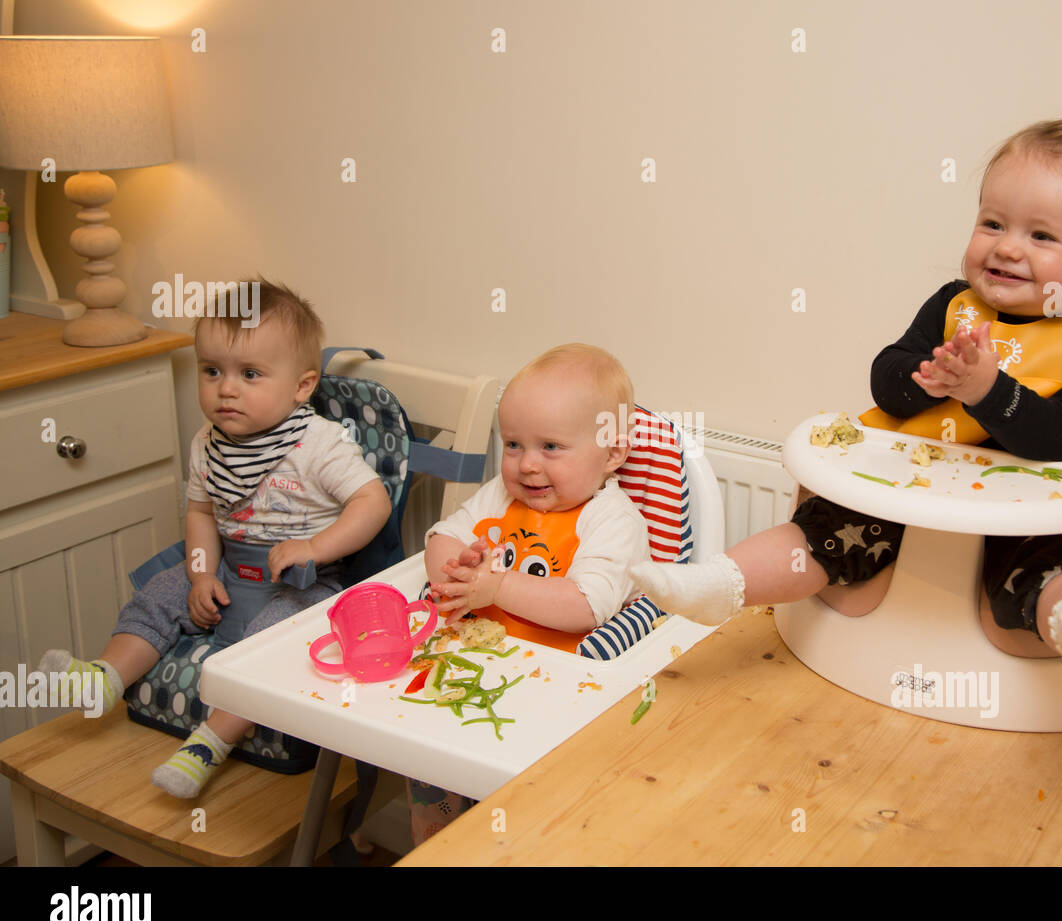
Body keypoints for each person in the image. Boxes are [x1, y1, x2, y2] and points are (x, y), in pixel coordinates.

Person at [633, 118, 1062, 682]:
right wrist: (927, 379)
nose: (1007, 247)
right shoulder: (954, 305)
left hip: (1036, 508)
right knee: (829, 529)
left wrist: (990, 392)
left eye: (1041, 236)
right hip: (921, 482)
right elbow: (885, 381)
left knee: (1055, 563)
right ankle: (721, 583)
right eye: (993, 223)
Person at [39, 280, 392, 797]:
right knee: (159, 594)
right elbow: (201, 513)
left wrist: (315, 549)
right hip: (229, 571)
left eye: (249, 374)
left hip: (301, 582)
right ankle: (104, 677)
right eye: (212, 371)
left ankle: (209, 742)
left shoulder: (317, 443)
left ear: (301, 386)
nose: (226, 388)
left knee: (281, 638)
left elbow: (373, 503)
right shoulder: (207, 444)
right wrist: (200, 574)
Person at [409, 344, 650, 844]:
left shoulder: (612, 520)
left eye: (551, 447)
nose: (526, 466)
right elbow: (441, 536)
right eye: (513, 445)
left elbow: (587, 606)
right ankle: (434, 847)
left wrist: (497, 586)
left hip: (550, 692)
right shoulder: (501, 495)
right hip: (468, 670)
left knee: (520, 819)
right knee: (428, 773)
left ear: (613, 454)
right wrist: (455, 573)